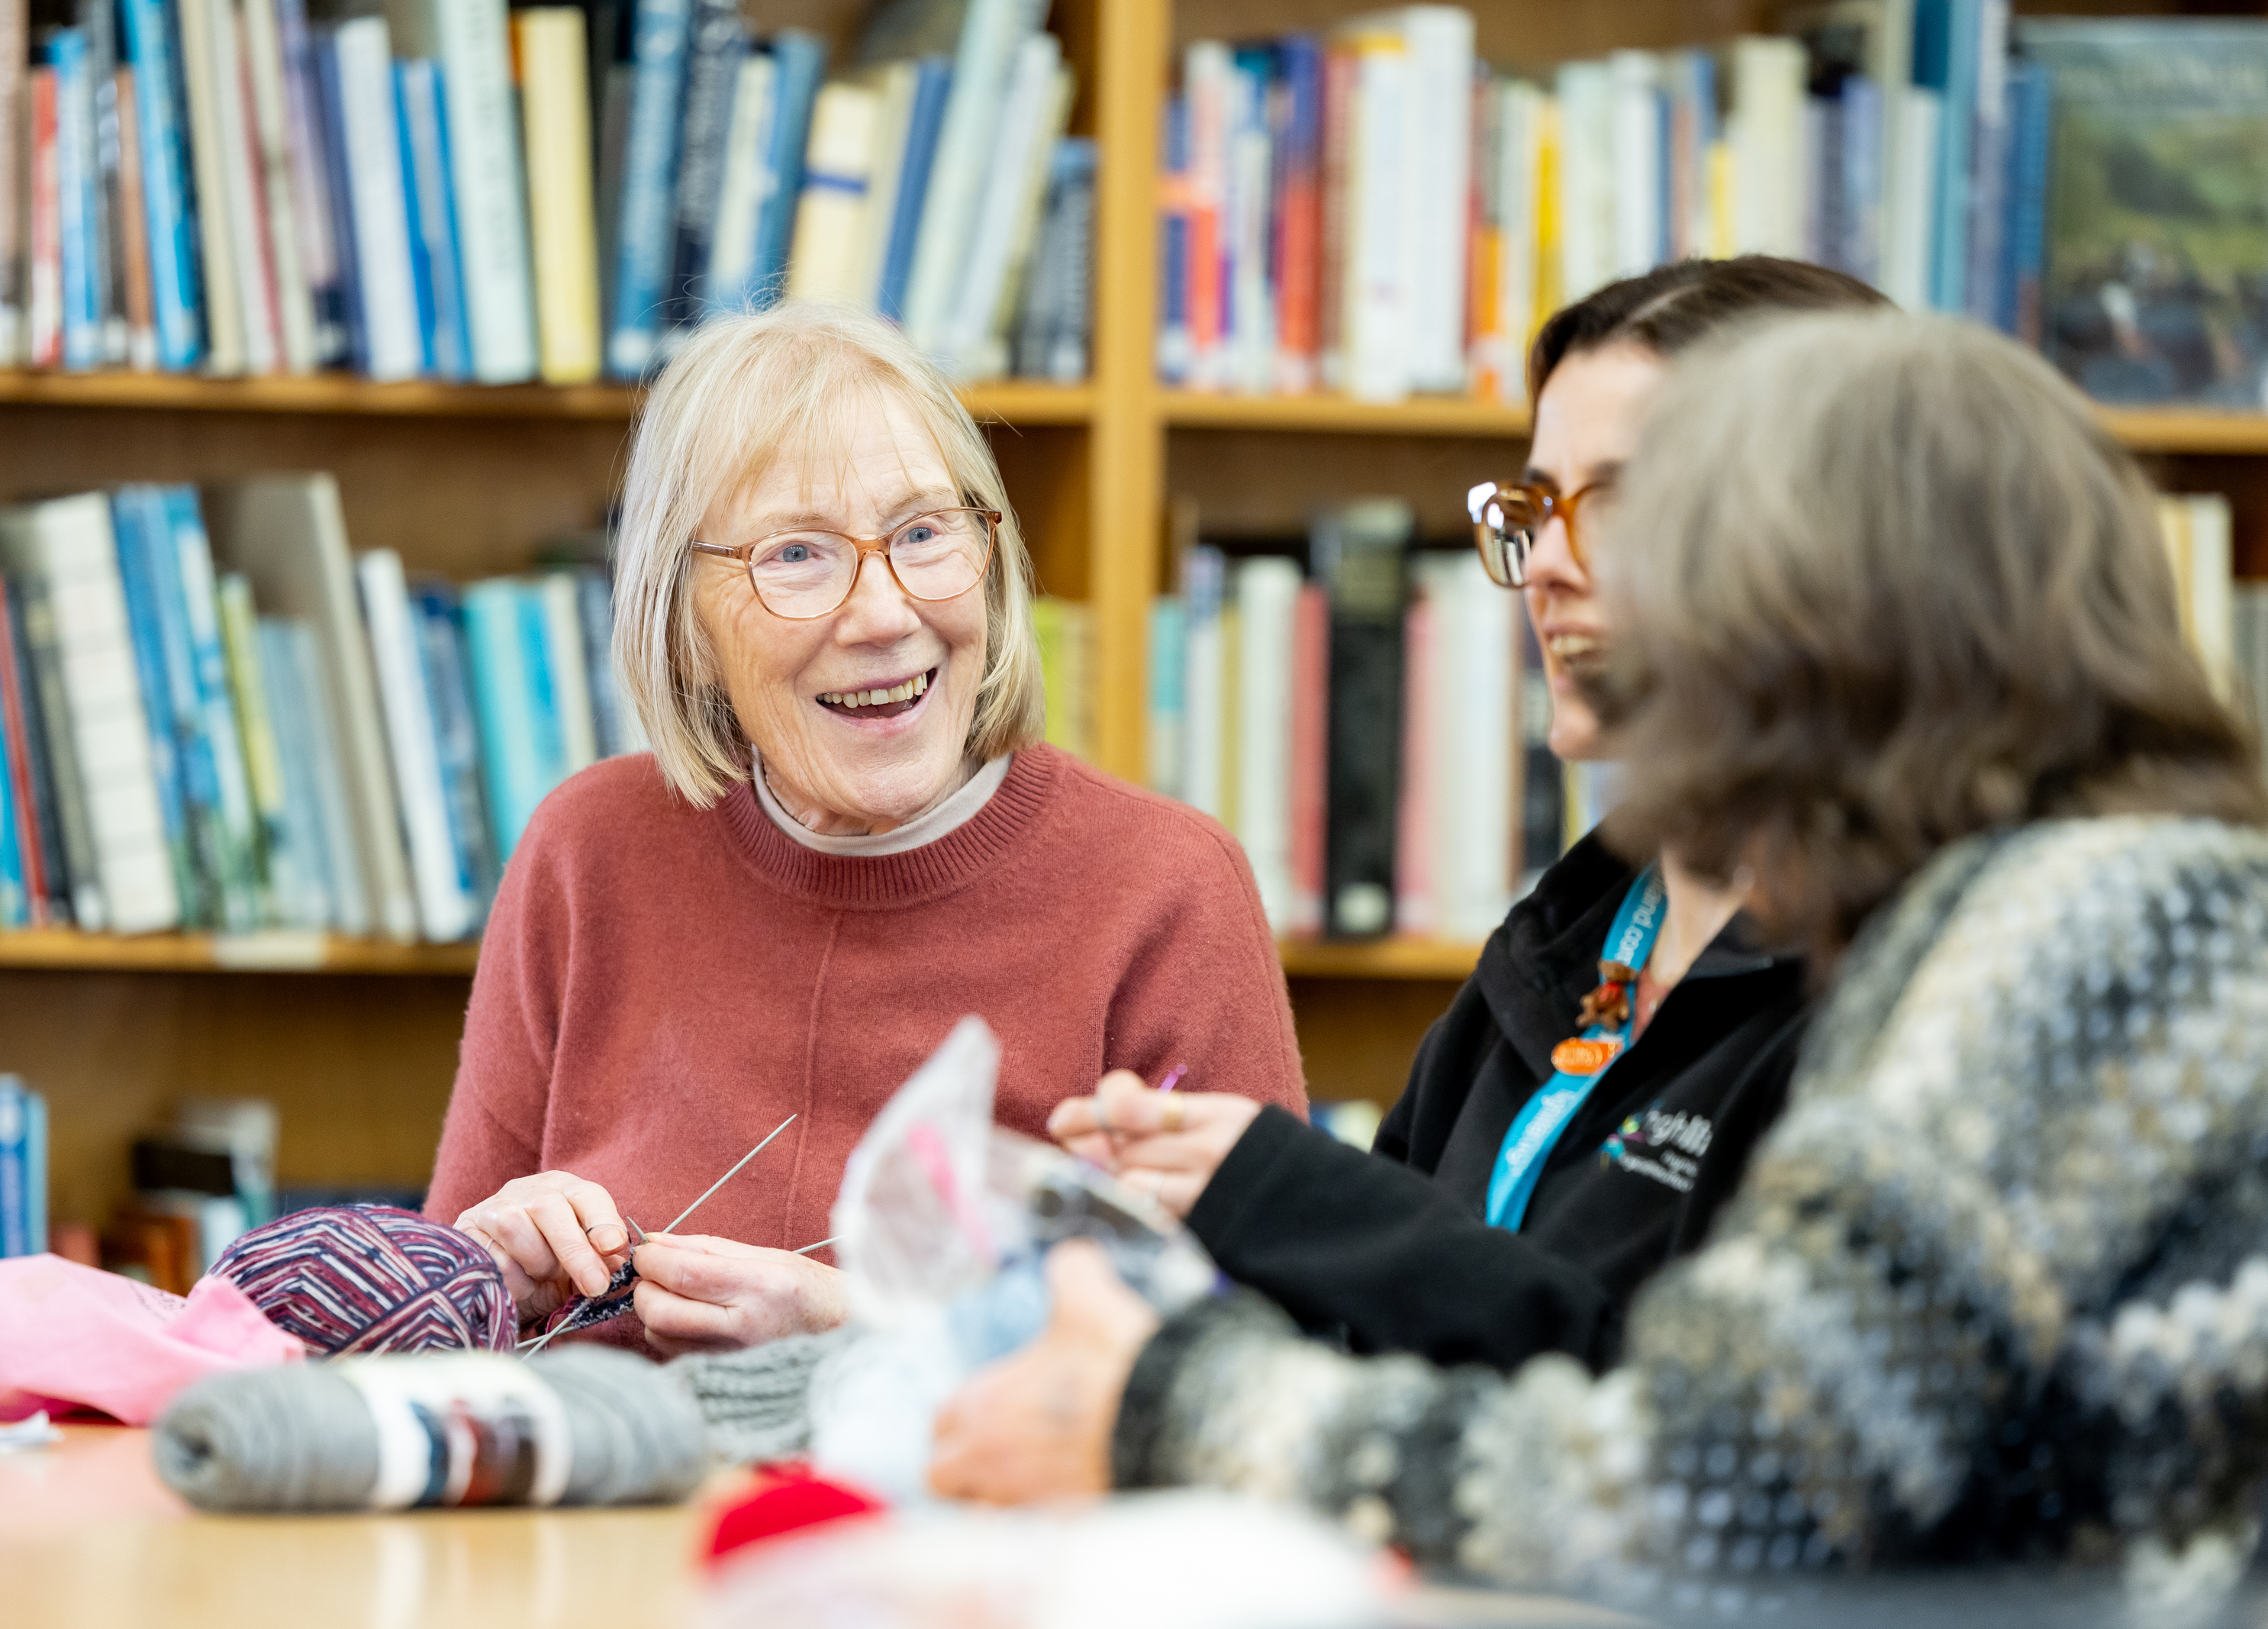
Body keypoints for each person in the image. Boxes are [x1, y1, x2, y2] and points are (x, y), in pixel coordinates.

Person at [933, 311, 2268, 1618]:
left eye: (1686, 559)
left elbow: (1705, 1485)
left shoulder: (2095, 931)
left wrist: (1175, 1397)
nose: (1593, 601)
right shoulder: (2078, 907)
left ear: (1854, 615)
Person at [1052, 258, 1887, 1371]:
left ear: (1824, 540)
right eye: (1536, 506)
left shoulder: (1899, 986)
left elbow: (1704, 1435)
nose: (1541, 563)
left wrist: (1306, 1200)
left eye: (1619, 504)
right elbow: (1366, 1349)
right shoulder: (1560, 944)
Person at [425, 305, 1307, 1356]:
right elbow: (419, 1342)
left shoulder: (1166, 888)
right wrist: (484, 1278)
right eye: (796, 554)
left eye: (924, 532)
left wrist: (859, 1328)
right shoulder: (588, 851)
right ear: (686, 625)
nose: (885, 613)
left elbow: (1256, 1368)